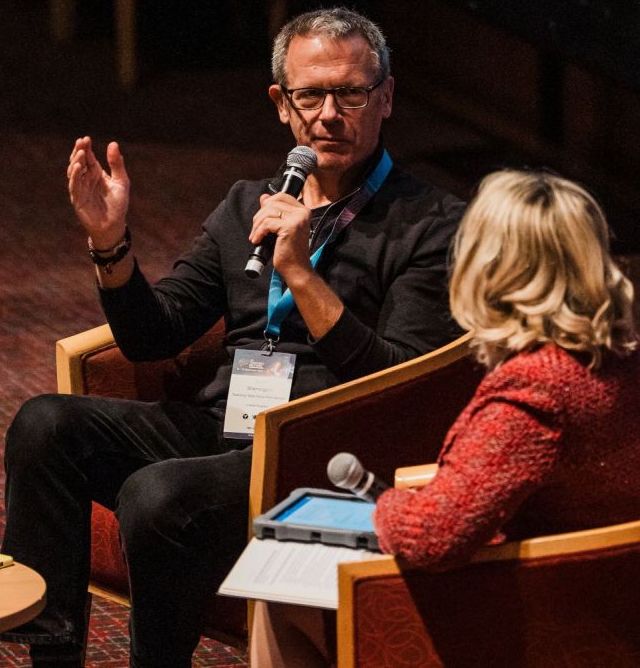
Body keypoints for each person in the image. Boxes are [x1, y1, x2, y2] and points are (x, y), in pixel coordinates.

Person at [0, 7, 464, 668]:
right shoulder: (249, 204)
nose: (329, 115)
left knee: (157, 494)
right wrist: (111, 245)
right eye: (310, 96)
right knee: (44, 423)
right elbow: (153, 336)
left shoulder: (431, 223)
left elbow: (397, 382)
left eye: (351, 94)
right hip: (227, 426)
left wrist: (300, 274)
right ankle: (52, 659)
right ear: (281, 104)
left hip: (325, 447)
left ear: (385, 97)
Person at [250, 168, 640, 668]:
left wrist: (387, 506)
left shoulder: (536, 388)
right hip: (605, 595)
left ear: (491, 267)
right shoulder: (619, 357)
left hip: (540, 610)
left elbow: (431, 539)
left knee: (278, 589)